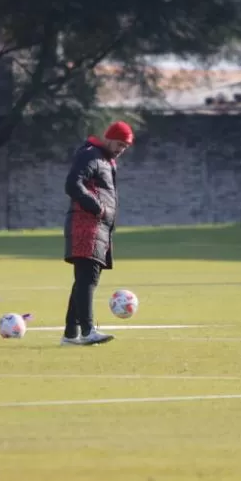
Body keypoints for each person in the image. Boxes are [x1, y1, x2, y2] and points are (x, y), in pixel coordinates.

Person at [61, 121, 134, 345]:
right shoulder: (91, 155)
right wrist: (96, 207)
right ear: (109, 137)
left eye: (125, 147)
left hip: (97, 226)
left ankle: (71, 334)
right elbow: (73, 184)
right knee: (88, 278)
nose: (121, 149)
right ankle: (88, 330)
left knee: (83, 279)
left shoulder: (104, 159)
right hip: (87, 225)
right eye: (119, 144)